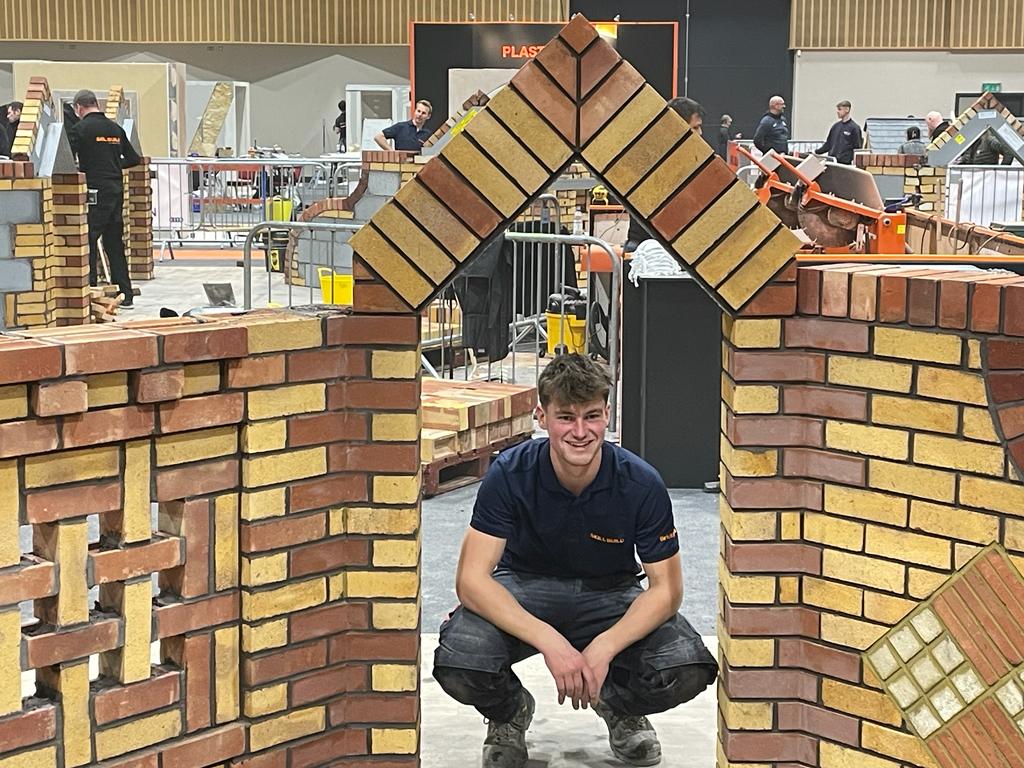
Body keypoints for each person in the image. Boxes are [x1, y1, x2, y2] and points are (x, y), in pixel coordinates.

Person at [433, 354, 717, 768]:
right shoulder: (510, 474)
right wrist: (551, 643)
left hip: (610, 592)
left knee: (685, 666)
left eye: (593, 416)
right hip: (524, 586)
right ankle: (509, 713)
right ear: (541, 417)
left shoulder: (640, 482)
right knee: (459, 660)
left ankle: (617, 705)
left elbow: (668, 590)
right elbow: (472, 581)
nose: (581, 432)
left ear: (607, 415)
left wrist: (604, 648)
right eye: (566, 417)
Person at [68, 89, 141, 308]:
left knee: (88, 239)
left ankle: (89, 290)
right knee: (114, 243)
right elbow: (134, 158)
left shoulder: (79, 129)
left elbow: (68, 159)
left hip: (95, 192)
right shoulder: (114, 128)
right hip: (116, 189)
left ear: (79, 107)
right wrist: (113, 166)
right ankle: (125, 293)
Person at [625, 97, 705, 253]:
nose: (700, 134)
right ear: (677, 127)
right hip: (652, 252)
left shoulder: (683, 159)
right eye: (695, 128)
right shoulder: (655, 163)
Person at [814, 99, 862, 164]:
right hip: (832, 162)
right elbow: (828, 145)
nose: (837, 111)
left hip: (845, 165)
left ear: (847, 110)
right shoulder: (835, 127)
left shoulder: (855, 128)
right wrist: (815, 152)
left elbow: (857, 149)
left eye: (840, 109)